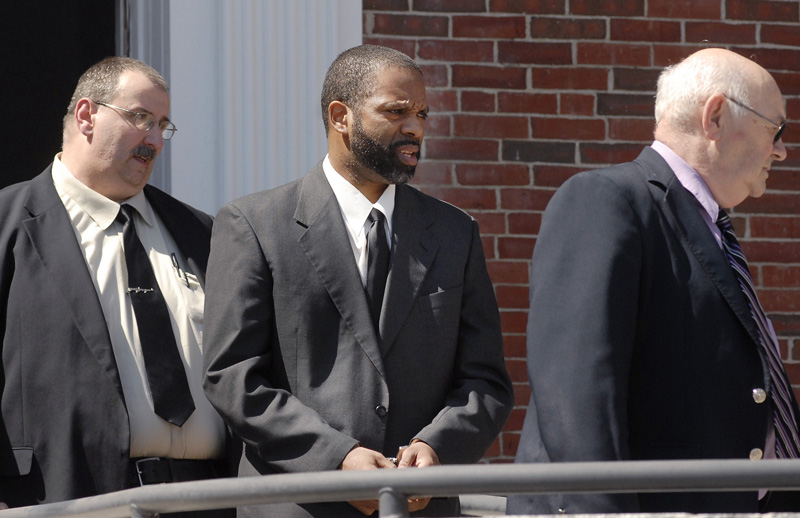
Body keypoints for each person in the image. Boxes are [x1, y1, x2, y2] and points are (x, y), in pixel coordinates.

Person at [202, 44, 514, 518]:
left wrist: (436, 450)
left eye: (423, 114)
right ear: (340, 116)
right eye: (396, 111)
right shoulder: (254, 224)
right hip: (299, 505)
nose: (415, 127)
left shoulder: (456, 233)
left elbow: (485, 380)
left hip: (421, 506)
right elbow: (233, 377)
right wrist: (336, 458)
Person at [507, 48, 800, 514]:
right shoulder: (607, 201)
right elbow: (580, 397)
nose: (782, 149)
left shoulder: (710, 228)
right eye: (776, 129)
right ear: (716, 116)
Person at [0, 57, 236, 514]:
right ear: (87, 115)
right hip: (65, 498)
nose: (153, 140)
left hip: (209, 498)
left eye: (162, 125)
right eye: (140, 118)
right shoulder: (9, 225)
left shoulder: (201, 233)